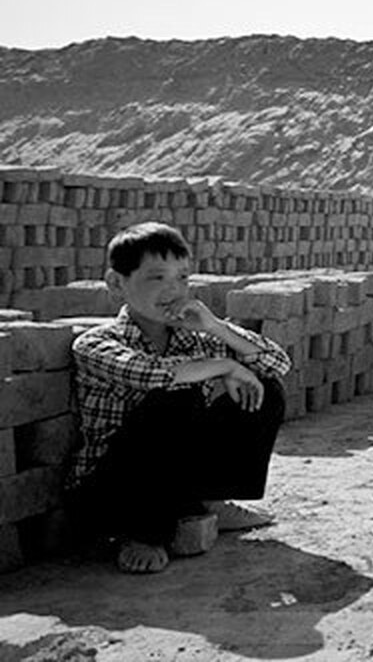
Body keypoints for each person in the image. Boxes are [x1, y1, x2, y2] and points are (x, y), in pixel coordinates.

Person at [68, 222, 292, 573]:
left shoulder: (196, 339)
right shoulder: (96, 343)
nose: (173, 290)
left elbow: (277, 363)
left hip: (171, 477)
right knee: (176, 400)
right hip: (115, 489)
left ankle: (207, 501)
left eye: (183, 278)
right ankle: (142, 533)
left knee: (264, 388)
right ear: (116, 284)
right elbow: (151, 374)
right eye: (157, 278)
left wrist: (216, 327)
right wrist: (222, 366)